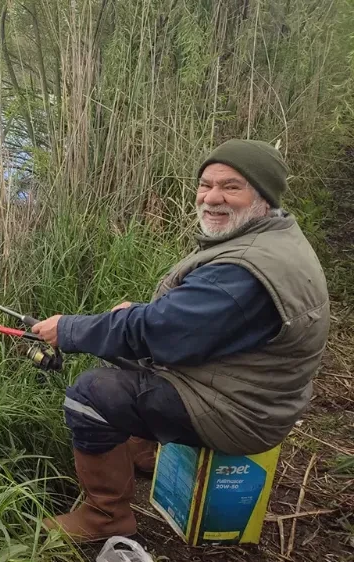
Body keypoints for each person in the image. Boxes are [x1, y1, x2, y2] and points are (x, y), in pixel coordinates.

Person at [30, 139, 330, 542]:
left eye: (231, 186)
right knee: (120, 355)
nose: (212, 197)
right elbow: (193, 321)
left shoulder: (245, 273)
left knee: (90, 394)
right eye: (205, 185)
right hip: (253, 388)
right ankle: (145, 455)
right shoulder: (273, 238)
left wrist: (67, 330)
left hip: (240, 412)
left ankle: (106, 517)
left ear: (263, 195)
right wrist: (137, 316)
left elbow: (156, 332)